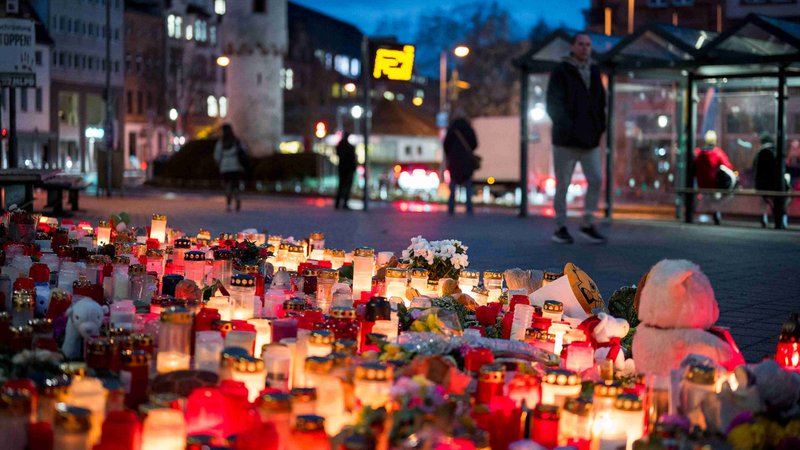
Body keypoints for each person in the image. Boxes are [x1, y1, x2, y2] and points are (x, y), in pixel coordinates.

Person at [546, 32, 607, 244]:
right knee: (563, 184)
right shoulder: (561, 71)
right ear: (573, 46)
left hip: (589, 140)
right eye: (581, 44)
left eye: (588, 45)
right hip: (565, 140)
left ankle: (587, 223)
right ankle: (560, 226)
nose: (584, 48)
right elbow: (553, 104)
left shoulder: (594, 70)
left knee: (596, 179)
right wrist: (567, 127)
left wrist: (599, 127)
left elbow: (600, 103)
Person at [694, 130, 735, 224]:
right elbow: (728, 167)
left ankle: (708, 211)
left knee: (707, 198)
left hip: (701, 184)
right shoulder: (717, 153)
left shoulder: (698, 153)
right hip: (713, 184)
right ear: (715, 141)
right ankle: (715, 213)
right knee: (721, 197)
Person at [443, 110, 478, 215]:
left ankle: (451, 207)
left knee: (453, 184)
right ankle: (469, 208)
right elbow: (475, 143)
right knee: (467, 183)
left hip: (454, 160)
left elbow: (446, 145)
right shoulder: (469, 128)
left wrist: (451, 154)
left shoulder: (452, 129)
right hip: (466, 159)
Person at [753, 133, 790, 227]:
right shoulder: (777, 152)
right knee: (782, 199)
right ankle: (782, 218)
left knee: (764, 201)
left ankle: (764, 219)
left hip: (763, 185)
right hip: (777, 185)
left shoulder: (760, 153)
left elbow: (755, 170)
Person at [214, 123, 247, 212]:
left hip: (225, 167)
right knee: (235, 185)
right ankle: (237, 199)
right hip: (236, 167)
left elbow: (217, 155)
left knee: (227, 186)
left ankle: (228, 205)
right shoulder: (236, 141)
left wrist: (219, 163)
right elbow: (244, 151)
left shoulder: (221, 142)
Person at [335, 131, 357, 210]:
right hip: (347, 169)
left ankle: (338, 203)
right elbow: (352, 158)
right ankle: (343, 203)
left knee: (342, 186)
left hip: (343, 168)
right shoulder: (348, 147)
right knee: (346, 186)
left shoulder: (341, 145)